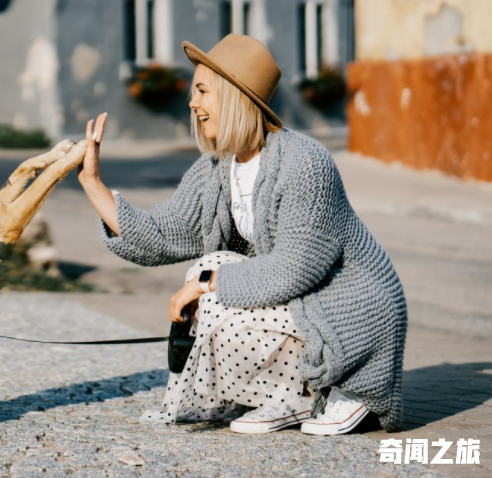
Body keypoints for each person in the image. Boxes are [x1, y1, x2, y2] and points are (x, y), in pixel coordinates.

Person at [77, 34, 407, 435]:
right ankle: (287, 396)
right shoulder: (217, 168)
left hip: (350, 310)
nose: (192, 103)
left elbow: (294, 269)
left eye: (202, 91)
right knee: (210, 267)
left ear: (234, 96)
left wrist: (205, 285)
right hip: (301, 303)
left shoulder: (305, 163)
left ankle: (335, 388)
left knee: (211, 279)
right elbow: (164, 234)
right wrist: (93, 184)